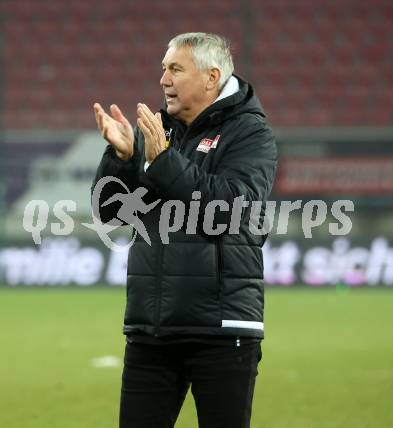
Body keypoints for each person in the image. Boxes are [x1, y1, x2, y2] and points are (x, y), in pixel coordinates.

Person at [92, 32, 277, 428]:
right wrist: (122, 158)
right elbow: (110, 212)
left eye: (175, 69)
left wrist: (163, 162)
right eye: (163, 69)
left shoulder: (250, 133)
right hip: (151, 328)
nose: (163, 79)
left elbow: (229, 209)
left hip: (223, 330)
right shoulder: (159, 130)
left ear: (211, 77)